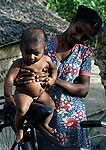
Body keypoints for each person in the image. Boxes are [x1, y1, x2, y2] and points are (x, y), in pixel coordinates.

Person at [13, 5, 102, 149]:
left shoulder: (84, 54)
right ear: (72, 20)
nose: (79, 37)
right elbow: (23, 70)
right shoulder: (42, 46)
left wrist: (56, 80)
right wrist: (20, 79)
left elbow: (83, 89)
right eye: (78, 30)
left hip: (74, 122)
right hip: (44, 117)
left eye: (85, 37)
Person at [4, 28, 57, 144]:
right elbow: (9, 78)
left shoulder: (47, 60)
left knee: (51, 105)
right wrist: (8, 95)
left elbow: (54, 70)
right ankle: (19, 130)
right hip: (24, 94)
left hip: (41, 94)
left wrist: (52, 79)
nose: (31, 57)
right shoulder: (19, 63)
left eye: (36, 53)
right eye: (27, 53)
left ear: (44, 49)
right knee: (22, 110)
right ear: (21, 48)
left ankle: (46, 124)